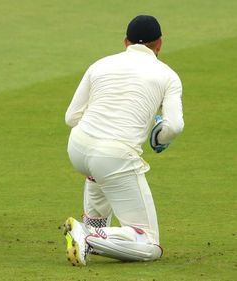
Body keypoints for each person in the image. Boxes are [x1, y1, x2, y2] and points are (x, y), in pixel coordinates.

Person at [63, 15, 184, 265]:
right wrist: (158, 136)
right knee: (150, 244)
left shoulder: (100, 64)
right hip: (114, 157)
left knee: (99, 172)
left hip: (78, 147)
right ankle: (86, 235)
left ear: (126, 41)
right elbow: (173, 126)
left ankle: (92, 227)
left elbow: (71, 117)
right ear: (159, 43)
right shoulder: (168, 75)